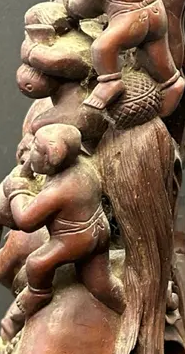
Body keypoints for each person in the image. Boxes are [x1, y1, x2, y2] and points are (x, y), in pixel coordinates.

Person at [7, 124, 124, 330]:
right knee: (100, 284)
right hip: (98, 230)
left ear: (52, 159)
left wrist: (18, 191)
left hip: (74, 239)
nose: (31, 151)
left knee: (36, 263)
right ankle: (129, 305)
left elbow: (26, 220)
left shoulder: (59, 190)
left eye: (36, 148)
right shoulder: (85, 168)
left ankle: (38, 294)